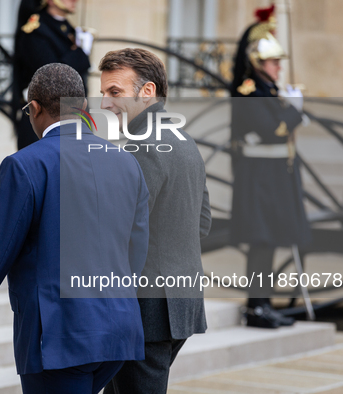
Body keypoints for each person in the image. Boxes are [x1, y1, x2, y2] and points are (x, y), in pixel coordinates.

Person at [0, 63, 150, 394]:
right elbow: (137, 248)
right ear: (83, 108)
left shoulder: (25, 165)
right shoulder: (126, 162)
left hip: (59, 337)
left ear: (35, 108)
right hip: (119, 331)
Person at [98, 48, 212, 394]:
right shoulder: (184, 140)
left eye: (114, 92)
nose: (105, 103)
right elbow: (202, 222)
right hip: (177, 302)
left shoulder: (143, 145)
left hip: (148, 308)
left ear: (146, 92)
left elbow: (121, 230)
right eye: (103, 93)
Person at [230, 5, 311, 329]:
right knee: (261, 241)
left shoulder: (269, 90)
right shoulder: (248, 91)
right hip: (259, 177)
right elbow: (271, 130)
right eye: (274, 62)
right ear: (258, 63)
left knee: (273, 239)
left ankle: (264, 303)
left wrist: (288, 109)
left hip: (275, 176)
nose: (279, 67)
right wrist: (293, 112)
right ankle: (256, 307)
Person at [13, 0, 92, 150]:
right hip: (45, 119)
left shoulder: (68, 28)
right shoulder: (35, 30)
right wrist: (81, 54)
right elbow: (52, 76)